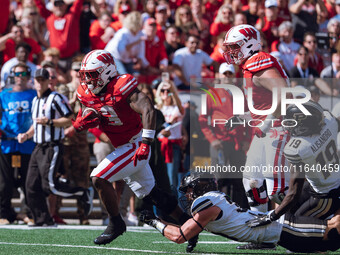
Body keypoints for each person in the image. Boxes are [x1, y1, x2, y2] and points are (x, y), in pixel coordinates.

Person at [73, 50, 198, 252]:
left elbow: (147, 108)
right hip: (122, 146)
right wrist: (83, 120)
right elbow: (89, 111)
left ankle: (116, 223)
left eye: (92, 74)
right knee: (152, 195)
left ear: (106, 72)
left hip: (136, 143)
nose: (87, 79)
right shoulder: (85, 92)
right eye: (85, 74)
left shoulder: (121, 86)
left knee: (98, 177)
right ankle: (190, 224)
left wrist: (146, 142)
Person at [140, 174, 340, 253]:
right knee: (332, 241)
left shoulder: (205, 203)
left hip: (283, 229)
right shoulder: (213, 200)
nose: (188, 195)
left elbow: (181, 236)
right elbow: (188, 228)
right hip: (281, 235)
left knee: (332, 232)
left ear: (200, 189)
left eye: (190, 190)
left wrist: (155, 221)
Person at [223, 24, 291, 249]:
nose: (231, 52)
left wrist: (269, 122)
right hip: (266, 131)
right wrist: (242, 117)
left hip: (278, 129)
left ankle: (307, 227)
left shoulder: (258, 60)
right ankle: (262, 234)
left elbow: (284, 94)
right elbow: (262, 105)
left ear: (249, 45)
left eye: (235, 47)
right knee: (252, 180)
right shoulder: (248, 66)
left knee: (278, 189)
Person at [245, 101, 340, 229]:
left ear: (304, 125)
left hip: (326, 195)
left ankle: (324, 241)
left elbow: (293, 193)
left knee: (292, 227)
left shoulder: (298, 148)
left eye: (292, 122)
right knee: (289, 214)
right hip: (325, 185)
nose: (288, 126)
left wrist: (271, 216)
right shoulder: (329, 122)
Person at [17, 68, 93, 227]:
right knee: (30, 185)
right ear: (34, 81)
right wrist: (26, 135)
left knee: (49, 185)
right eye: (37, 80)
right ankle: (42, 219)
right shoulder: (35, 100)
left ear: (48, 81)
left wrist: (50, 122)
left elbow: (69, 119)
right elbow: (36, 126)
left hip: (53, 146)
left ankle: (82, 192)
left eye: (43, 80)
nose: (40, 83)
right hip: (38, 147)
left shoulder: (56, 98)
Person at [0, 63, 36, 225]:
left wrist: (28, 133)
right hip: (7, 144)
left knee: (28, 181)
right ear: (12, 76)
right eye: (17, 74)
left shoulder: (34, 94)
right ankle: (4, 214)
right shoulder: (4, 95)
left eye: (23, 74)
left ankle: (29, 212)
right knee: (4, 182)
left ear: (28, 76)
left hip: (27, 144)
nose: (20, 78)